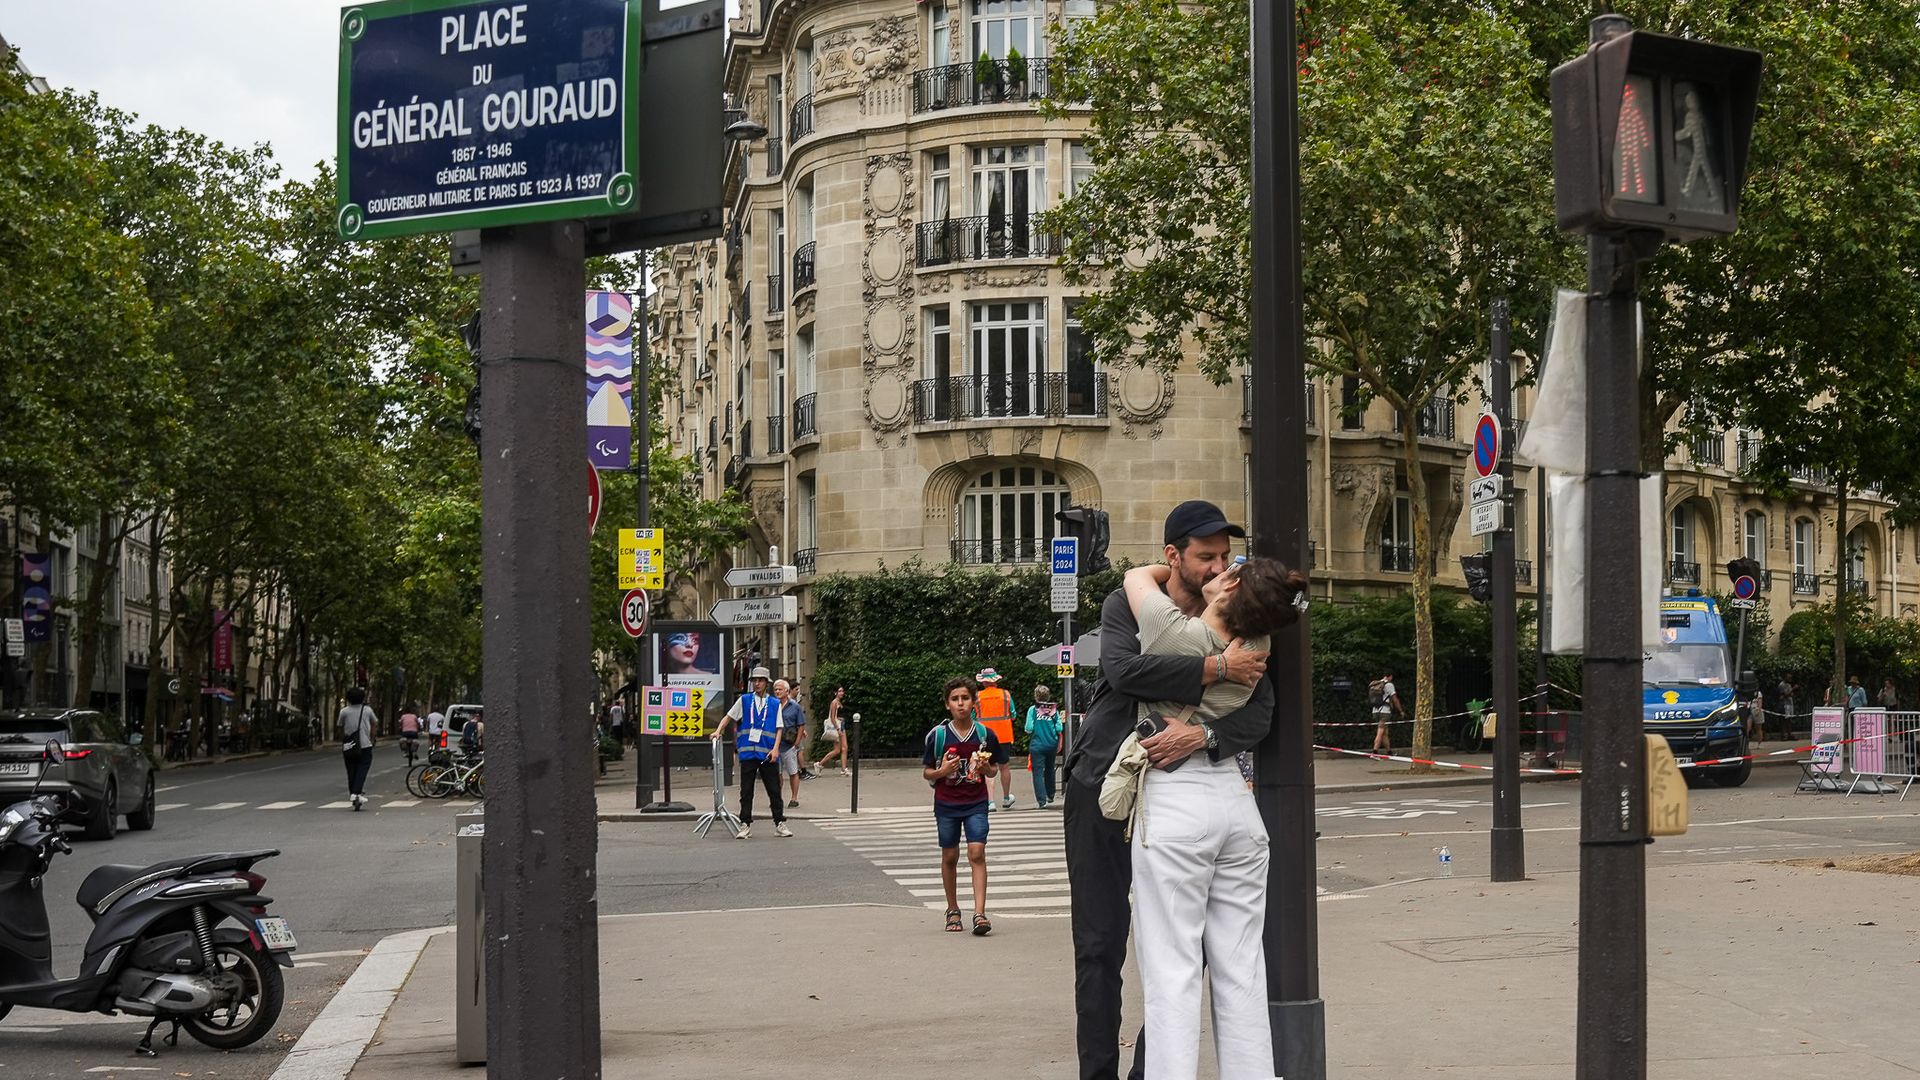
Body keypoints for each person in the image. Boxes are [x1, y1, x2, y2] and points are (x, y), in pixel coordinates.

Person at [1064, 499, 1272, 1080]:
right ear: (1173, 556)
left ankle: (1149, 1069)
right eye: (1206, 557)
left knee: (1187, 947)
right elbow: (1123, 672)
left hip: (1178, 799)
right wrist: (1216, 669)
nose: (1218, 568)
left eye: (1225, 556)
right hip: (1103, 783)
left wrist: (1203, 735)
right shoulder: (1127, 602)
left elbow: (1261, 715)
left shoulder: (1240, 613)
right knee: (1100, 945)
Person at [1122, 555, 1307, 1080]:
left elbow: (1136, 577)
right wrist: (1226, 595)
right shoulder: (1258, 647)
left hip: (1177, 801)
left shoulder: (1176, 635)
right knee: (1242, 968)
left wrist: (1185, 574)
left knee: (1171, 971)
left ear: (1231, 594)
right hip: (1235, 804)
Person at [922, 675, 1006, 935]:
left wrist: (984, 767)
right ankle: (953, 909)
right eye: (955, 699)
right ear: (948, 704)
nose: (960, 704)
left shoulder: (985, 735)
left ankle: (979, 913)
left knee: (977, 853)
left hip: (976, 802)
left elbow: (993, 771)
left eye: (965, 698)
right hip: (946, 804)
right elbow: (927, 772)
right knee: (950, 855)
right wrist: (942, 770)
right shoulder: (938, 735)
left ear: (973, 702)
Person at [712, 667, 789, 839]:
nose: (757, 683)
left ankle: (780, 823)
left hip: (768, 753)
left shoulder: (775, 703)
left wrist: (776, 748)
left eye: (760, 680)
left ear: (766, 683)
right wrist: (718, 731)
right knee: (746, 791)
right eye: (754, 680)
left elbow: (779, 728)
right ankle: (745, 824)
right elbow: (729, 717)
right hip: (748, 753)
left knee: (774, 790)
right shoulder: (745, 700)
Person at [975, 669, 1018, 810]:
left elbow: (973, 717)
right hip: (1004, 735)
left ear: (984, 682)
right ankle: (1006, 798)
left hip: (985, 735)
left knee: (988, 767)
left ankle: (990, 802)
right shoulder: (1005, 695)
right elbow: (1013, 715)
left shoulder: (977, 697)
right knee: (1004, 767)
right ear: (995, 681)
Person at [338, 687, 378, 811]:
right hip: (365, 745)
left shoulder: (344, 711)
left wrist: (344, 740)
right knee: (362, 768)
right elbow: (374, 724)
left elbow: (340, 726)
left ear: (348, 699)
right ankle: (356, 793)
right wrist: (372, 738)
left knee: (351, 770)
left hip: (349, 745)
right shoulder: (367, 710)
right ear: (363, 698)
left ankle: (353, 794)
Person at [1024, 684, 1063, 809]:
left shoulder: (1032, 710)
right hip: (1052, 744)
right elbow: (1059, 727)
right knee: (1050, 769)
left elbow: (1029, 728)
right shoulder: (1053, 710)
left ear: (1036, 696)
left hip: (1038, 745)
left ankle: (1042, 801)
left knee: (1038, 773)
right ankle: (1050, 794)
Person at [775, 679, 809, 807]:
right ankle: (777, 798)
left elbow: (801, 725)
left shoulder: (795, 707)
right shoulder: (773, 705)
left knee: (793, 772)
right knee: (776, 774)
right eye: (776, 690)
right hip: (775, 745)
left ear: (787, 691)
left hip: (789, 744)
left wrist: (797, 742)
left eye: (780, 689)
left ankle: (794, 798)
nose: (777, 692)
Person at [816, 686, 850, 774]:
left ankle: (843, 769)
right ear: (835, 693)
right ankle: (820, 764)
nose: (842, 693)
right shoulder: (834, 702)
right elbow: (832, 717)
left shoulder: (839, 702)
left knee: (843, 748)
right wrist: (838, 729)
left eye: (842, 691)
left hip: (841, 725)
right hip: (838, 727)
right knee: (839, 749)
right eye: (839, 691)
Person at [1369, 670, 1404, 753]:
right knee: (1380, 731)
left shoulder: (1375, 684)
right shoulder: (1389, 685)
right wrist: (1401, 710)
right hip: (1385, 711)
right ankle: (1375, 751)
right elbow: (1395, 699)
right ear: (1390, 676)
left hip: (1375, 710)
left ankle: (1389, 752)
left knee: (1384, 732)